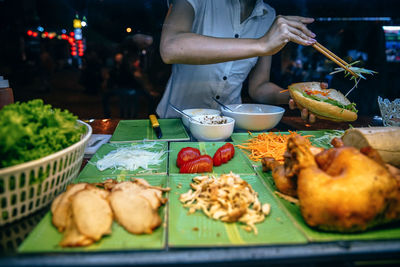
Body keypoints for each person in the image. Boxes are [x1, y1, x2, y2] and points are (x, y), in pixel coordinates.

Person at [156, 0, 320, 123]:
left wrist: (297, 96)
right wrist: (262, 44)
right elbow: (170, 47)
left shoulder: (268, 15)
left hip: (227, 125)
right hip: (175, 122)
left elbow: (259, 87)